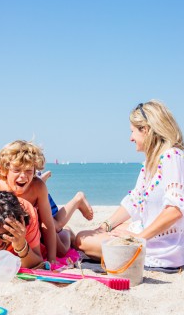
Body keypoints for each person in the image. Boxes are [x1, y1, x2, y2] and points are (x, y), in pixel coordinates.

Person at [75, 100, 184, 269]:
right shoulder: (150, 163)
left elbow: (175, 211)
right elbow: (134, 201)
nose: (130, 138)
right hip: (148, 234)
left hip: (163, 247)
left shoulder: (172, 156)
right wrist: (105, 226)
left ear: (146, 130)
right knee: (95, 233)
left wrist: (138, 238)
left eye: (133, 131)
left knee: (82, 240)